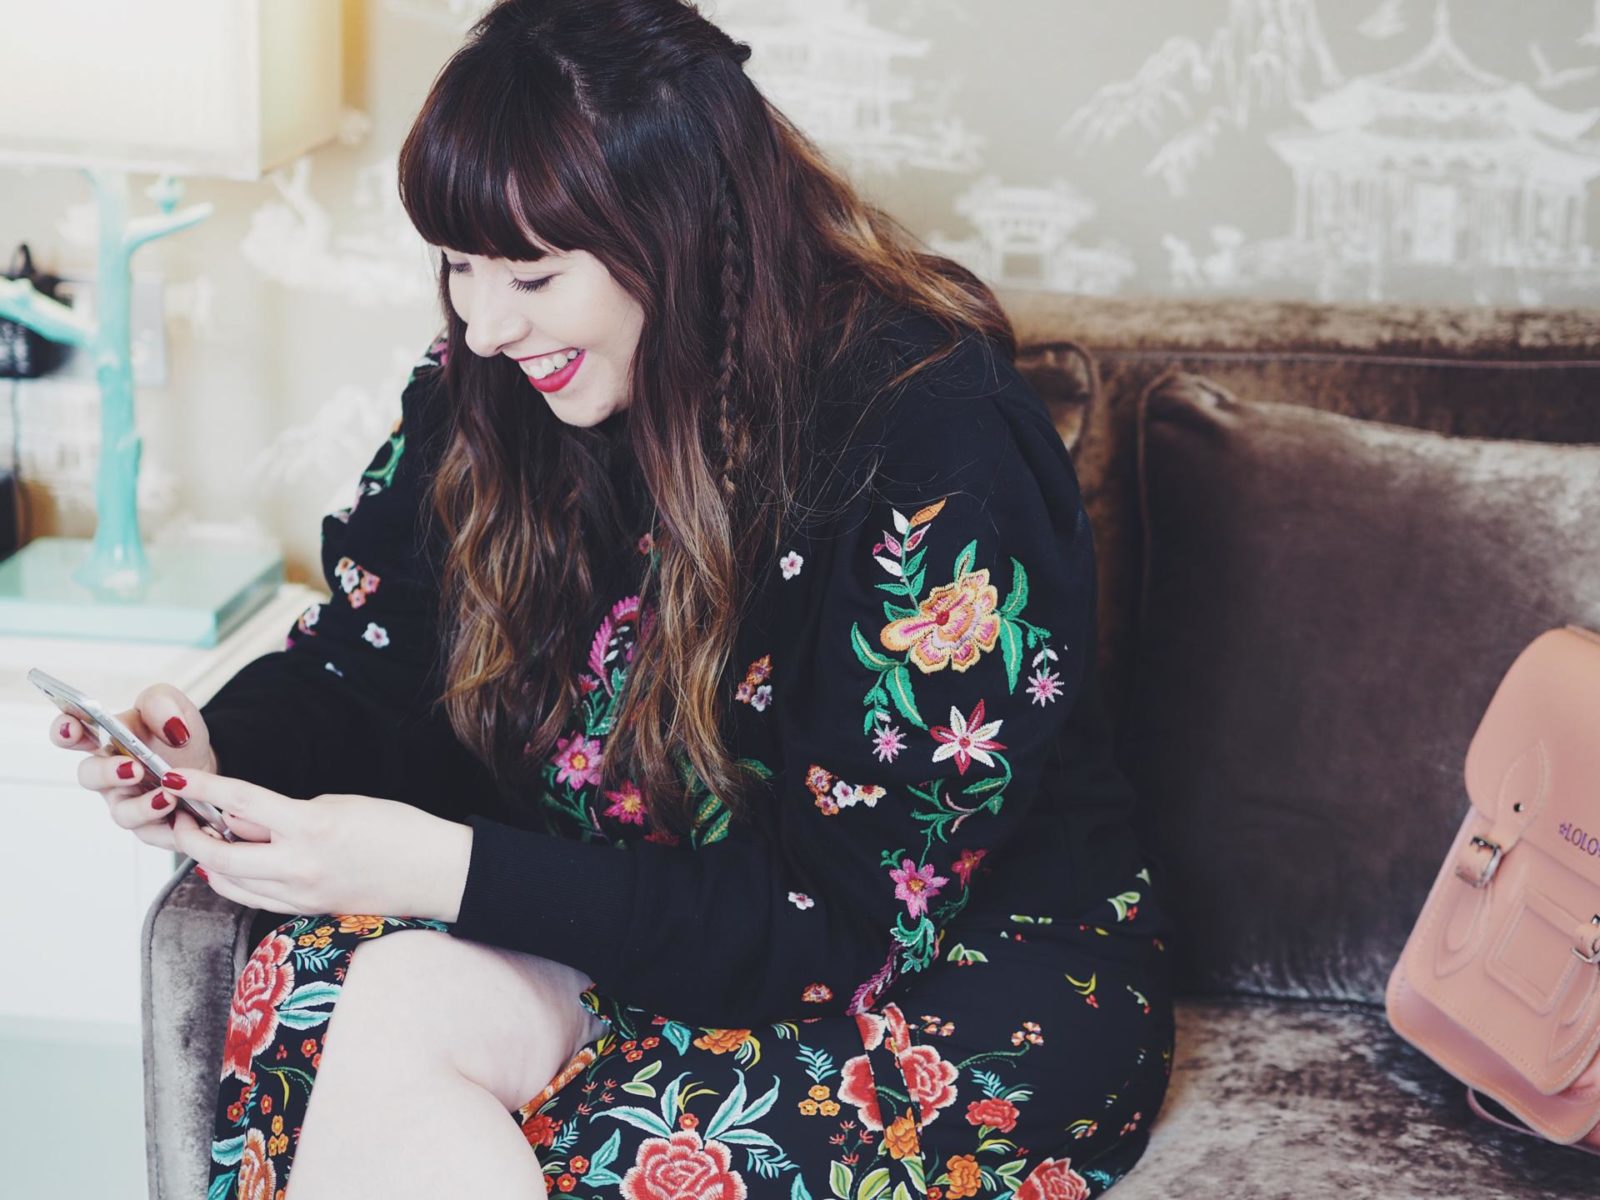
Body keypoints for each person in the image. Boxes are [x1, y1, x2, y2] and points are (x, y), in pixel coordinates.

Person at [54, 2, 1178, 1196]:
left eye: (534, 273)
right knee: (329, 1003)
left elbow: (845, 924)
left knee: (548, 1140)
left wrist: (444, 871)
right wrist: (213, 749)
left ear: (679, 233)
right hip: (632, 928)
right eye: (459, 265)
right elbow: (371, 664)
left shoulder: (929, 435)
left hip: (937, 975)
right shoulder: (492, 385)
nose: (486, 324)